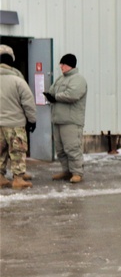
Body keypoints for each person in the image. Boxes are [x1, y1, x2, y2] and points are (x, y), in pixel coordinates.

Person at [44, 53, 87, 184]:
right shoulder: (60, 79)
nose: (61, 66)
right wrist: (49, 96)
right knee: (61, 150)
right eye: (61, 64)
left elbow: (72, 95)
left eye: (63, 64)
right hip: (58, 120)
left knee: (72, 148)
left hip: (71, 121)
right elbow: (52, 91)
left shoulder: (78, 79)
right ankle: (67, 171)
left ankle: (77, 173)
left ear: (70, 65)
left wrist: (55, 97)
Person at [0, 51, 37, 190]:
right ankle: (18, 179)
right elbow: (28, 102)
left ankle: (1, 177)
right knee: (17, 152)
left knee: (1, 152)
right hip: (15, 124)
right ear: (11, 64)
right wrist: (32, 120)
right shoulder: (18, 81)